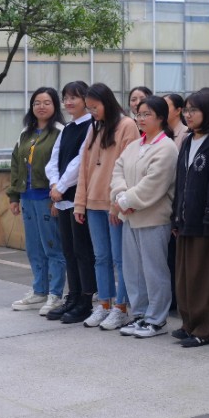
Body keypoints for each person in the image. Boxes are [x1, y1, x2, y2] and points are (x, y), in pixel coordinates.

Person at [111, 94, 177, 338]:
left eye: (146, 114)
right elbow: (117, 171)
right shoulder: (134, 146)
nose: (140, 119)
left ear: (161, 117)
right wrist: (121, 197)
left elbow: (154, 183)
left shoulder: (167, 147)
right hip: (130, 218)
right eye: (138, 114)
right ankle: (139, 314)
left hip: (153, 218)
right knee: (133, 271)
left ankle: (157, 319)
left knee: (154, 271)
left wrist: (125, 201)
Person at [75, 83, 140, 330]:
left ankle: (121, 308)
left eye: (95, 107)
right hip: (93, 204)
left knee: (120, 258)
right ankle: (103, 304)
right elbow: (84, 169)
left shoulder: (127, 125)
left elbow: (130, 169)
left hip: (115, 204)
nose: (92, 112)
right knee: (101, 257)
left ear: (107, 102)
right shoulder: (95, 128)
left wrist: (118, 203)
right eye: (89, 108)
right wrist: (80, 203)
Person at [171, 88, 209, 347]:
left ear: (208, 112)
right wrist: (176, 216)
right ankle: (189, 324)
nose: (188, 114)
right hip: (185, 220)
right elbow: (180, 182)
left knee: (204, 278)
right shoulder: (187, 141)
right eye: (186, 110)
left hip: (206, 224)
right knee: (185, 277)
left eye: (193, 110)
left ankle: (205, 330)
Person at [7, 87, 67, 316]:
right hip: (27, 197)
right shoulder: (26, 133)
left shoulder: (61, 132)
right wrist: (14, 196)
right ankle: (39, 291)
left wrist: (58, 198)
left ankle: (55, 294)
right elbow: (15, 164)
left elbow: (63, 166)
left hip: (48, 198)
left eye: (47, 102)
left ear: (55, 106)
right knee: (34, 248)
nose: (41, 107)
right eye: (37, 103)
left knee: (53, 247)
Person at [47, 82, 96, 324]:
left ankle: (86, 300)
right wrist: (55, 184)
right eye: (65, 97)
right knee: (68, 250)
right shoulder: (66, 128)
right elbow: (53, 160)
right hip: (62, 197)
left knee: (82, 251)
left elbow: (80, 161)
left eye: (74, 97)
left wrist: (62, 186)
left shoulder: (91, 126)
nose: (68, 102)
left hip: (78, 197)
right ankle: (73, 296)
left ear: (86, 99)